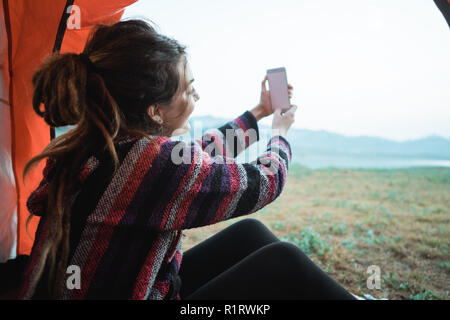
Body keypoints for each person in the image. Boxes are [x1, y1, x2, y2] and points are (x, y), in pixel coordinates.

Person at [16, 19, 355, 300]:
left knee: (250, 234)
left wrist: (261, 112)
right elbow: (265, 182)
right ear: (154, 110)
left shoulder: (96, 144)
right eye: (189, 89)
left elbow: (197, 155)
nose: (197, 97)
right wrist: (280, 132)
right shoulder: (155, 163)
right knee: (285, 262)